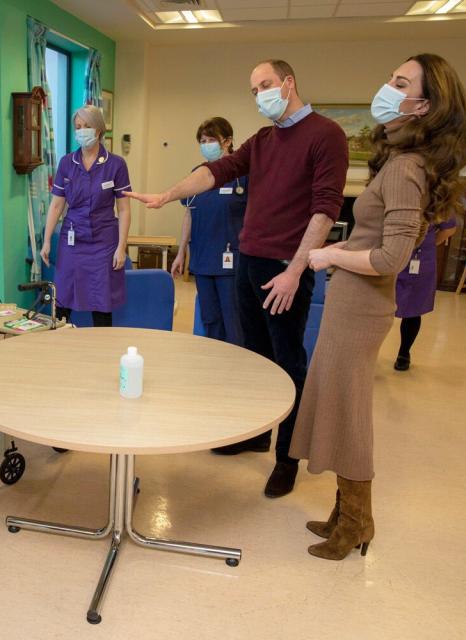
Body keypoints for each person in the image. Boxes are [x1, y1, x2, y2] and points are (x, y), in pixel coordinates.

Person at [125, 60, 348, 497]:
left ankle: (287, 458)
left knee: (288, 361)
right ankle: (256, 433)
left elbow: (325, 210)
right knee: (255, 359)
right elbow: (216, 172)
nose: (260, 94)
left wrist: (296, 270)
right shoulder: (263, 139)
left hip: (287, 267)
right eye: (253, 90)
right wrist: (167, 195)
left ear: (288, 82)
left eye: (265, 85)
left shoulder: (326, 135)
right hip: (249, 260)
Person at [291, 53, 466, 560]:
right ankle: (342, 512)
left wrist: (329, 253)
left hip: (361, 304)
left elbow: (392, 256)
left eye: (399, 82)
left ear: (424, 106)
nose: (386, 88)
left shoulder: (406, 168)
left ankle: (357, 523)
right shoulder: (399, 160)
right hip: (353, 300)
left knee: (349, 414)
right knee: (336, 402)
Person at [39, 105, 131, 326]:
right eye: (78, 127)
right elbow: (56, 205)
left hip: (104, 241)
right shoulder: (66, 163)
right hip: (73, 239)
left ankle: (102, 351)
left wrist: (121, 246)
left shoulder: (116, 164)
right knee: (63, 296)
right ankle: (58, 347)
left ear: (98, 130)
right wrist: (46, 241)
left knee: (101, 300)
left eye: (87, 126)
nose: (82, 131)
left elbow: (125, 209)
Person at [170, 117, 247, 345]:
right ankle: (214, 365)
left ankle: (236, 370)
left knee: (233, 321)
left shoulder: (242, 174)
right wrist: (181, 251)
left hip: (231, 261)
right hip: (203, 259)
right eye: (202, 140)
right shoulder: (198, 174)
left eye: (211, 139)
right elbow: (189, 213)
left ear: (228, 141)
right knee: (210, 319)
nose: (206, 145)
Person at [393, 218, 458, 370]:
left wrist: (426, 242)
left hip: (420, 258)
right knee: (379, 306)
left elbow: (449, 228)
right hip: (391, 252)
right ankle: (370, 353)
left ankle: (404, 353)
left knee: (413, 307)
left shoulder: (437, 196)